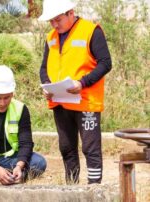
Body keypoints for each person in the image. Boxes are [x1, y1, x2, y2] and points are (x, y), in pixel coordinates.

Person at [38, 0, 112, 184]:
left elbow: (105, 63)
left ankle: (94, 189)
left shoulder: (91, 31)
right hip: (61, 102)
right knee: (66, 148)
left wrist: (83, 82)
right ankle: (72, 188)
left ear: (71, 13)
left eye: (58, 19)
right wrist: (47, 85)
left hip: (86, 101)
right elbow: (44, 68)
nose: (55, 24)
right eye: (51, 21)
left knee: (90, 148)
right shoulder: (51, 37)